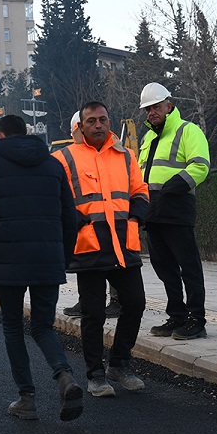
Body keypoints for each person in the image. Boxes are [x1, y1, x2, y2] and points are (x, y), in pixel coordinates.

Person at [0, 113, 85, 422]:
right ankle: (65, 377)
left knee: (12, 326)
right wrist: (62, 257)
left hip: (10, 256)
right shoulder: (53, 163)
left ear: (0, 134)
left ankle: (27, 399)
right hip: (48, 255)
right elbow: (70, 217)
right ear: (26, 132)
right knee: (42, 326)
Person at [53, 101, 149, 396]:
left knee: (135, 303)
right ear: (80, 126)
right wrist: (73, 220)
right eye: (91, 120)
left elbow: (140, 190)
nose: (98, 125)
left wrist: (136, 217)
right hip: (89, 246)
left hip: (122, 244)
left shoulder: (125, 155)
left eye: (103, 119)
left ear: (109, 122)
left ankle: (119, 364)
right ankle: (95, 374)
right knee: (93, 313)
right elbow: (53, 197)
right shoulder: (64, 158)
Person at [137, 83, 211, 340]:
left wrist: (172, 187)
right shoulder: (148, 138)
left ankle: (196, 319)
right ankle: (177, 315)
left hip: (177, 208)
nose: (151, 113)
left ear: (169, 106)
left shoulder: (188, 130)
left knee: (189, 267)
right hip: (152, 212)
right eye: (148, 109)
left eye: (156, 107)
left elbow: (200, 166)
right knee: (164, 268)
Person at [58, 110, 121, 320]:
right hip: (88, 228)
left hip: (111, 224)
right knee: (90, 272)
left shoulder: (114, 153)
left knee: (113, 264)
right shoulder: (71, 156)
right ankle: (88, 301)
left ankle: (116, 301)